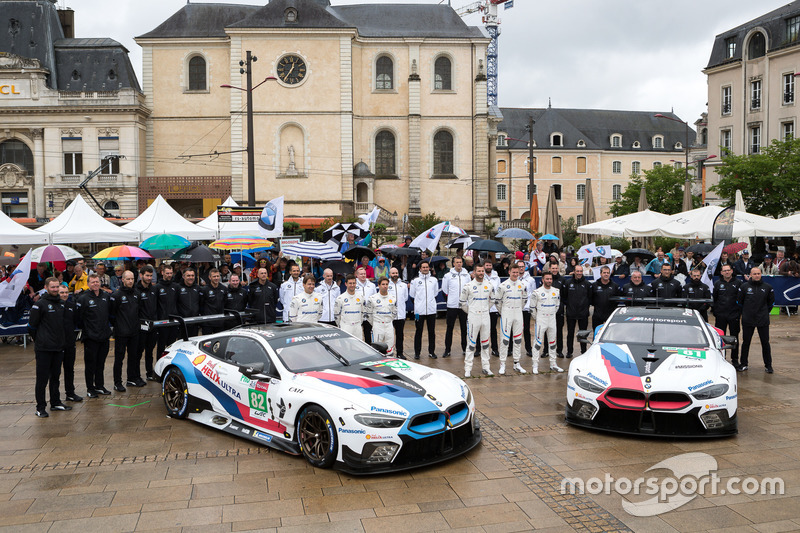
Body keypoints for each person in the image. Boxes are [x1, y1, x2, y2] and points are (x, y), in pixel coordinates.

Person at [28, 278, 70, 417]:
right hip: (44, 348)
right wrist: (40, 340)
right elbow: (31, 327)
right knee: (42, 379)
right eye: (52, 287)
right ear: (46, 287)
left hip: (58, 347)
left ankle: (56, 402)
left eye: (57, 286)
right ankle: (40, 407)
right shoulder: (39, 304)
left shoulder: (61, 304)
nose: (55, 289)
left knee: (56, 377)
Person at [75, 274, 112, 398]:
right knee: (90, 364)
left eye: (97, 282)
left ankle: (100, 386)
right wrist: (87, 330)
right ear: (88, 283)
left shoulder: (105, 296)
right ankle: (90, 388)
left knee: (101, 363)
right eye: (93, 282)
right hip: (91, 338)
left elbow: (110, 314)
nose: (95, 284)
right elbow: (79, 318)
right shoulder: (83, 298)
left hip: (104, 336)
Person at [737, 267, 775, 373]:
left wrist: (763, 312)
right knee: (746, 342)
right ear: (750, 275)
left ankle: (768, 365)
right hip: (748, 319)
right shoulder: (744, 287)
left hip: (762, 320)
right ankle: (744, 363)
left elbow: (771, 303)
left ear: (761, 274)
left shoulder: (768, 287)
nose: (757, 275)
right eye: (754, 274)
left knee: (765, 342)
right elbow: (739, 302)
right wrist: (746, 312)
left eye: (758, 273)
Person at [461, 263, 495, 377]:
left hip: (485, 317)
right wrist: (471, 311)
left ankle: (486, 367)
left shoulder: (489, 285)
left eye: (482, 271)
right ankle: (468, 368)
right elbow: (462, 302)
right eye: (479, 271)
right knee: (471, 343)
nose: (481, 273)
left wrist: (485, 309)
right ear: (474, 272)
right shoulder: (468, 286)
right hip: (473, 317)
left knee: (485, 343)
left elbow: (492, 300)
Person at [495, 263, 528, 375]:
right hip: (506, 313)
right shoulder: (503, 285)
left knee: (518, 339)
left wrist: (518, 309)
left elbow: (524, 300)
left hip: (518, 313)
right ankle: (502, 364)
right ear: (509, 272)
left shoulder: (522, 285)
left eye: (517, 272)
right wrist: (503, 312)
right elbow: (497, 302)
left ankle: (516, 363)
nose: (515, 274)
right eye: (513, 272)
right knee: (504, 339)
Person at [110, 271, 139, 392]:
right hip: (121, 332)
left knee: (133, 357)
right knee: (119, 358)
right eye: (128, 279)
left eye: (132, 279)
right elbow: (112, 314)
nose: (130, 281)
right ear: (123, 280)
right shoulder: (117, 295)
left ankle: (131, 378)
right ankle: (117, 382)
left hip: (134, 331)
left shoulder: (137, 293)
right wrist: (117, 326)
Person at [531, 272, 564, 374]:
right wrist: (538, 318)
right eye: (547, 279)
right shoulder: (537, 292)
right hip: (541, 320)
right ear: (542, 280)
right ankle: (535, 365)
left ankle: (553, 364)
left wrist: (551, 314)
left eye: (550, 279)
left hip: (552, 320)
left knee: (552, 342)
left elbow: (557, 306)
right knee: (538, 342)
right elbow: (532, 308)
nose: (549, 281)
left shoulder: (556, 291)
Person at [55, 284, 82, 403]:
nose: (65, 295)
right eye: (62, 293)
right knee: (55, 372)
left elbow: (77, 321)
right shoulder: (54, 306)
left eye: (66, 293)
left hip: (70, 342)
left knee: (69, 369)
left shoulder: (72, 305)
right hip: (56, 344)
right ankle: (55, 397)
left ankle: (70, 393)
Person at [713, 264, 742, 367]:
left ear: (731, 271)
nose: (726, 272)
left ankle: (735, 359)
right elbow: (715, 299)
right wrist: (716, 312)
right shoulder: (717, 283)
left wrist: (738, 312)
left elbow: (741, 299)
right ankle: (721, 358)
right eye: (724, 271)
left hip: (734, 315)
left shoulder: (738, 283)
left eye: (728, 270)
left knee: (734, 338)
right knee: (720, 338)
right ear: (721, 272)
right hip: (721, 315)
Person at [442, 256, 471, 358]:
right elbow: (445, 290)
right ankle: (447, 350)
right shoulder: (448, 276)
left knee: (464, 328)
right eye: (457, 262)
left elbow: (469, 289)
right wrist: (451, 299)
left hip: (463, 305)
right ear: (453, 264)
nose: (459, 264)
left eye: (460, 262)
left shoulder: (466, 275)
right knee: (450, 328)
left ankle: (465, 348)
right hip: (452, 305)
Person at [410, 261, 439, 359]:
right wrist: (419, 304)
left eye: (427, 267)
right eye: (423, 267)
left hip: (431, 310)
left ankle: (432, 352)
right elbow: (412, 295)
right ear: (420, 269)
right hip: (419, 311)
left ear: (429, 268)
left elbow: (435, 293)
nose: (425, 269)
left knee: (432, 332)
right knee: (419, 331)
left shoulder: (434, 280)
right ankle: (417, 353)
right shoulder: (415, 281)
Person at [134, 265, 158, 383]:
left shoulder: (154, 289)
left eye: (151, 276)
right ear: (141, 275)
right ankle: (137, 375)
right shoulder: (136, 290)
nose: (149, 278)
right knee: (138, 352)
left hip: (152, 325)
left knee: (150, 351)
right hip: (140, 326)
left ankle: (149, 373)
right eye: (147, 275)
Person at [563, 265, 591, 358]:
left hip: (583, 314)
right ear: (574, 271)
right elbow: (564, 297)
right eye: (577, 271)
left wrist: (585, 308)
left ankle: (583, 352)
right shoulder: (568, 283)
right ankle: (569, 352)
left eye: (580, 271)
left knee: (583, 334)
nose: (579, 273)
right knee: (570, 334)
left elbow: (590, 298)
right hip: (571, 313)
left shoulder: (587, 284)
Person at [366, 277, 397, 355]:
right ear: (379, 285)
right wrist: (375, 324)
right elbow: (369, 314)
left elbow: (394, 312)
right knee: (377, 347)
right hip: (377, 325)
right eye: (383, 284)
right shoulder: (372, 298)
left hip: (389, 324)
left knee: (390, 348)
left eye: (386, 284)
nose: (385, 286)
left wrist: (388, 321)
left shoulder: (393, 298)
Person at [155, 264, 180, 356]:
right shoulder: (157, 287)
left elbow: (178, 302)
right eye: (167, 273)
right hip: (162, 323)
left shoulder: (176, 286)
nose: (169, 275)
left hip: (173, 323)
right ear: (162, 273)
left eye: (171, 273)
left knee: (172, 347)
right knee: (161, 347)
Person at [387, 267, 409, 359]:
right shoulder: (387, 284)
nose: (395, 275)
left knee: (400, 335)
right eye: (393, 273)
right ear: (389, 274)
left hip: (400, 315)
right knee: (389, 335)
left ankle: (400, 352)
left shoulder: (403, 285)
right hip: (389, 315)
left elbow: (406, 298)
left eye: (396, 273)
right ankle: (389, 352)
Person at [590, 265, 621, 329]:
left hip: (610, 314)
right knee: (596, 334)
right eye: (604, 273)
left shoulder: (615, 286)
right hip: (597, 314)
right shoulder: (594, 285)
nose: (606, 274)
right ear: (600, 274)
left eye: (608, 273)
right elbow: (591, 298)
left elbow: (617, 299)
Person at [481, 260, 501, 357]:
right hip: (483, 307)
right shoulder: (480, 276)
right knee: (481, 328)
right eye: (487, 265)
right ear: (484, 266)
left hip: (493, 307)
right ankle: (478, 349)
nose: (488, 266)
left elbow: (498, 290)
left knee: (493, 329)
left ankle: (495, 349)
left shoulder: (496, 278)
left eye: (490, 265)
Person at [335, 274, 364, 339]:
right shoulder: (340, 298)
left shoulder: (361, 297)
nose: (352, 285)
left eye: (354, 283)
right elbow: (337, 315)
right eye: (350, 283)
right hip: (346, 326)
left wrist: (359, 322)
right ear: (346, 284)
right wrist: (342, 325)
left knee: (358, 347)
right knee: (346, 347)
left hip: (357, 326)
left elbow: (363, 312)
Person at [200, 267, 227, 333]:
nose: (216, 278)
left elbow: (225, 302)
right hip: (207, 322)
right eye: (214, 276)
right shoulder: (204, 289)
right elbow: (201, 303)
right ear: (210, 277)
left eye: (218, 276)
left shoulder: (223, 288)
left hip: (220, 321)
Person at [520, 260, 538, 357]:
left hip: (526, 308)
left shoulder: (530, 280)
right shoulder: (514, 279)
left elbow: (533, 294)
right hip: (516, 308)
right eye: (519, 266)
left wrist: (532, 306)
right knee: (514, 330)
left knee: (526, 329)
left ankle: (528, 348)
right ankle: (511, 349)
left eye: (522, 266)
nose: (521, 268)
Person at [177, 268, 201, 337]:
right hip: (182, 323)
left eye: (192, 275)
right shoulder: (178, 288)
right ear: (183, 276)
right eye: (188, 276)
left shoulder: (198, 288)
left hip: (195, 322)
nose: (191, 278)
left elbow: (201, 302)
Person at [355, 266, 377, 340]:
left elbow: (375, 298)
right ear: (357, 275)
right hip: (358, 313)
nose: (363, 275)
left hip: (368, 314)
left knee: (368, 334)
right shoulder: (353, 285)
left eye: (364, 274)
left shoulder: (372, 285)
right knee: (357, 335)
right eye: (361, 274)